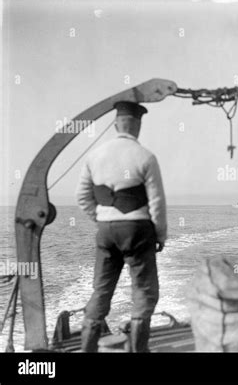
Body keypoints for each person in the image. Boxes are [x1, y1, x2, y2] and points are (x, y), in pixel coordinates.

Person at [76, 101, 167, 352]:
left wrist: (101, 218)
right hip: (138, 230)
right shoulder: (146, 157)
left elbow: (82, 196)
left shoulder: (94, 155)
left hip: (106, 230)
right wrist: (160, 235)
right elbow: (157, 202)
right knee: (144, 290)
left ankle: (87, 349)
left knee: (101, 290)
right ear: (137, 126)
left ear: (117, 124)